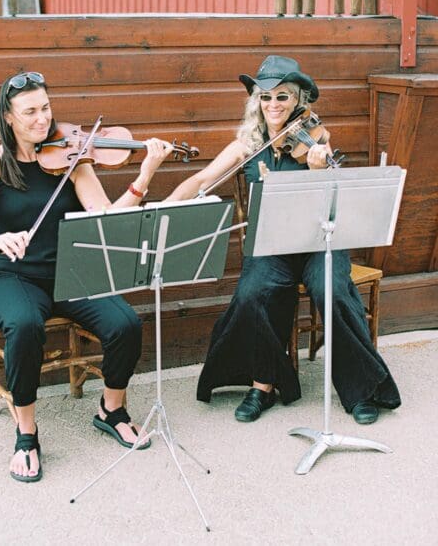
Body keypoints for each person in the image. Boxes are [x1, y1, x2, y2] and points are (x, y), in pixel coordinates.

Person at [0, 71, 173, 482]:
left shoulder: (73, 159)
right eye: (29, 111)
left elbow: (106, 217)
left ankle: (111, 409)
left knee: (124, 322)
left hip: (67, 273)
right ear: (9, 117)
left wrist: (146, 173)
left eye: (46, 108)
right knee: (25, 323)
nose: (41, 119)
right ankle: (27, 433)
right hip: (9, 276)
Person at [165, 55, 401, 425]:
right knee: (252, 292)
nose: (273, 105)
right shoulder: (247, 144)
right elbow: (201, 180)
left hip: (317, 240)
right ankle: (264, 385)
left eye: (282, 97)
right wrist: (165, 205)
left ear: (298, 101)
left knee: (334, 292)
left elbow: (333, 198)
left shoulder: (316, 138)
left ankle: (360, 390)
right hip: (272, 243)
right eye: (265, 97)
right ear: (256, 102)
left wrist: (319, 169)